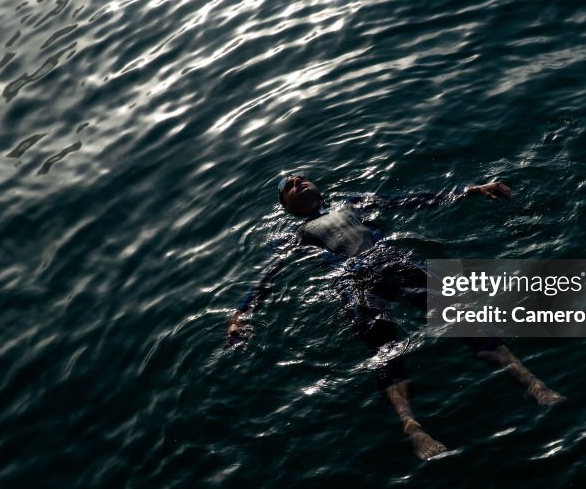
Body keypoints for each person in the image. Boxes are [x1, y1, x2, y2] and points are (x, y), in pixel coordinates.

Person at [227, 174, 564, 460]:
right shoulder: (296, 236)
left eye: (301, 178)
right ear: (287, 208)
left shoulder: (349, 202)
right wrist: (240, 314)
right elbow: (268, 275)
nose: (296, 181)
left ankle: (534, 384)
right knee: (386, 354)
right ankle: (415, 431)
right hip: (352, 281)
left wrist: (470, 191)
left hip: (392, 263)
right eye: (289, 185)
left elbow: (409, 200)